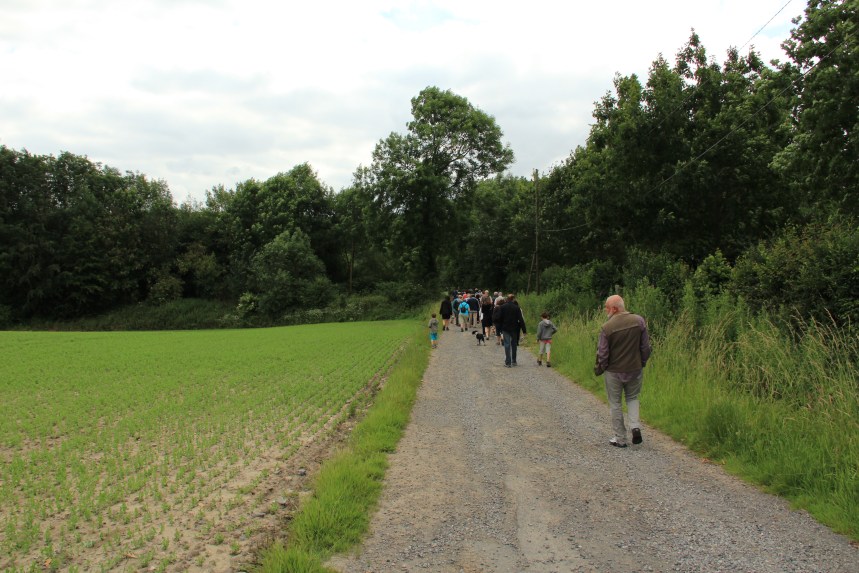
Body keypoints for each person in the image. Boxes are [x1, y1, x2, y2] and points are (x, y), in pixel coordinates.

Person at [594, 294, 652, 448]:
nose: (606, 310)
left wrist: (601, 368)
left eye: (606, 307)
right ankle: (635, 427)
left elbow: (603, 353)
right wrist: (642, 362)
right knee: (632, 398)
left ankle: (620, 439)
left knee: (615, 403)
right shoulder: (639, 321)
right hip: (635, 368)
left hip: (614, 371)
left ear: (614, 308)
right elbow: (645, 347)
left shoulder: (607, 328)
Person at [498, 293, 527, 367]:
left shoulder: (502, 307)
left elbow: (500, 319)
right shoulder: (517, 308)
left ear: (507, 299)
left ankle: (508, 362)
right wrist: (524, 330)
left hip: (505, 328)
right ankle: (514, 361)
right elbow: (521, 319)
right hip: (514, 328)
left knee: (507, 344)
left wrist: (499, 329)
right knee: (514, 344)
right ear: (513, 299)